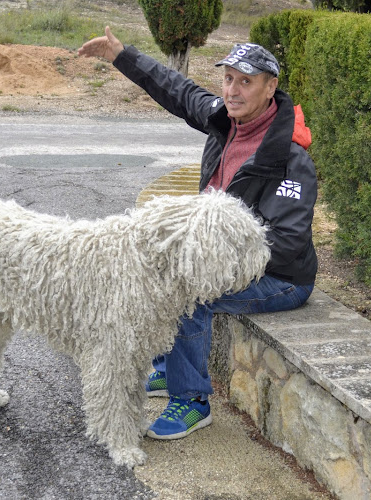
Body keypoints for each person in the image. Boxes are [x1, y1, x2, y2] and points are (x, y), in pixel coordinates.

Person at [78, 27, 317, 440]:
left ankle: (191, 400)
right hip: (228, 258)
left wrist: (211, 263)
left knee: (189, 291)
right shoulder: (226, 120)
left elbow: (286, 242)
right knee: (150, 266)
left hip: (281, 278)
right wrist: (121, 55)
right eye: (228, 79)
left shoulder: (289, 158)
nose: (233, 90)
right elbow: (177, 90)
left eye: (246, 81)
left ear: (270, 87)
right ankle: (168, 368)